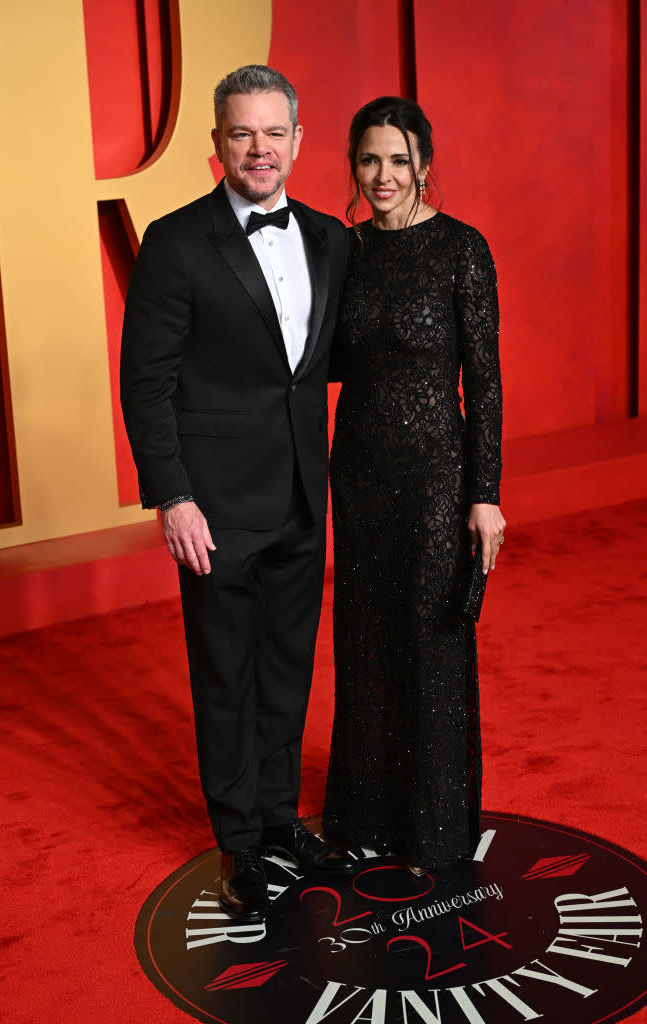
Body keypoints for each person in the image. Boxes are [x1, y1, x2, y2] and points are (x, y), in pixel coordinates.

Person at [120, 65, 355, 924]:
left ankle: (278, 816)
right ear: (216, 144)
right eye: (241, 134)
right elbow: (144, 382)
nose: (259, 149)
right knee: (226, 675)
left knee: (288, 667)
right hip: (213, 506)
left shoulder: (330, 236)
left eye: (273, 132)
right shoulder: (176, 240)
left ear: (296, 138)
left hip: (301, 491)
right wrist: (171, 497)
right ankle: (239, 844)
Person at [323, 96, 505, 875]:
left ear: (424, 165)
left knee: (431, 644)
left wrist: (484, 493)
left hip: (437, 476)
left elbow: (486, 384)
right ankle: (367, 816)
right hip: (358, 474)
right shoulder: (342, 251)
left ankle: (435, 824)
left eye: (398, 160)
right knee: (364, 642)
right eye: (369, 160)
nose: (383, 175)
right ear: (353, 167)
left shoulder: (462, 249)